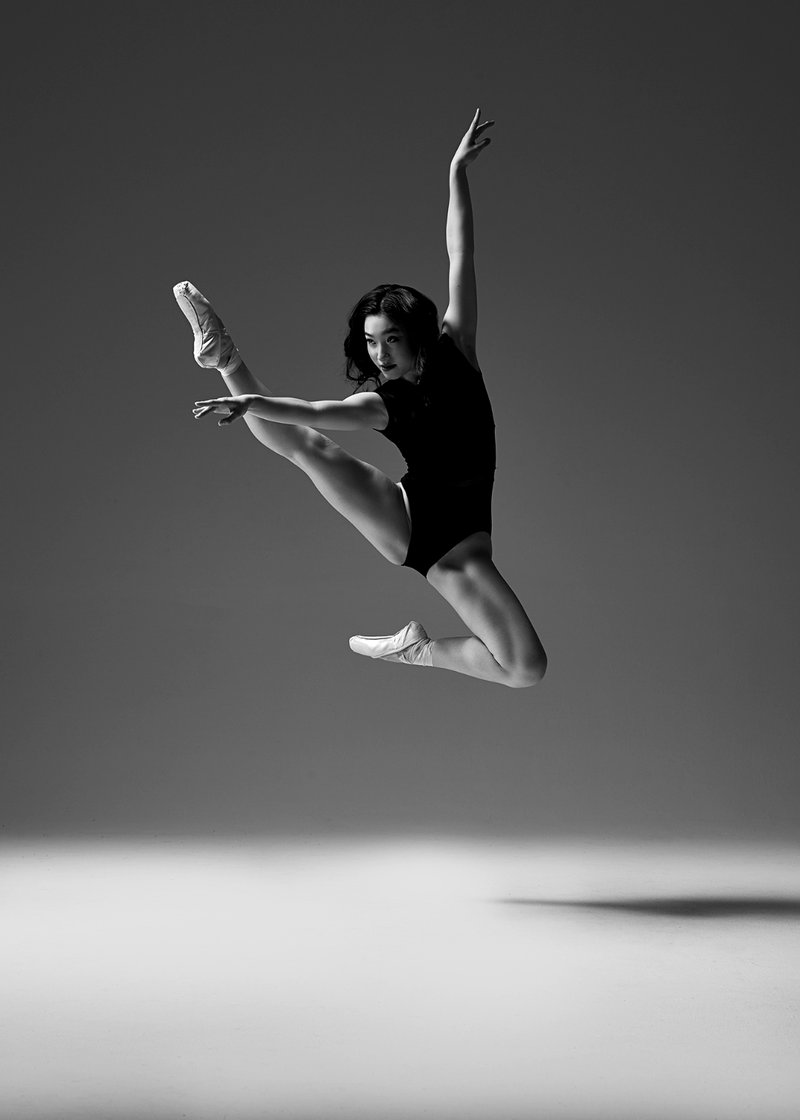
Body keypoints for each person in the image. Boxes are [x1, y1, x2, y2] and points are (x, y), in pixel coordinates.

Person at [174, 110, 546, 688]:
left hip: (465, 540)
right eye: (370, 343)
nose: (379, 354)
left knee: (525, 669)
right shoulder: (384, 401)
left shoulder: (458, 348)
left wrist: (456, 173)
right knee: (310, 449)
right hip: (419, 530)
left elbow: (460, 254)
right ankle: (225, 358)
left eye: (390, 339)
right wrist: (249, 402)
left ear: (418, 333)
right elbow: (316, 415)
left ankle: (417, 650)